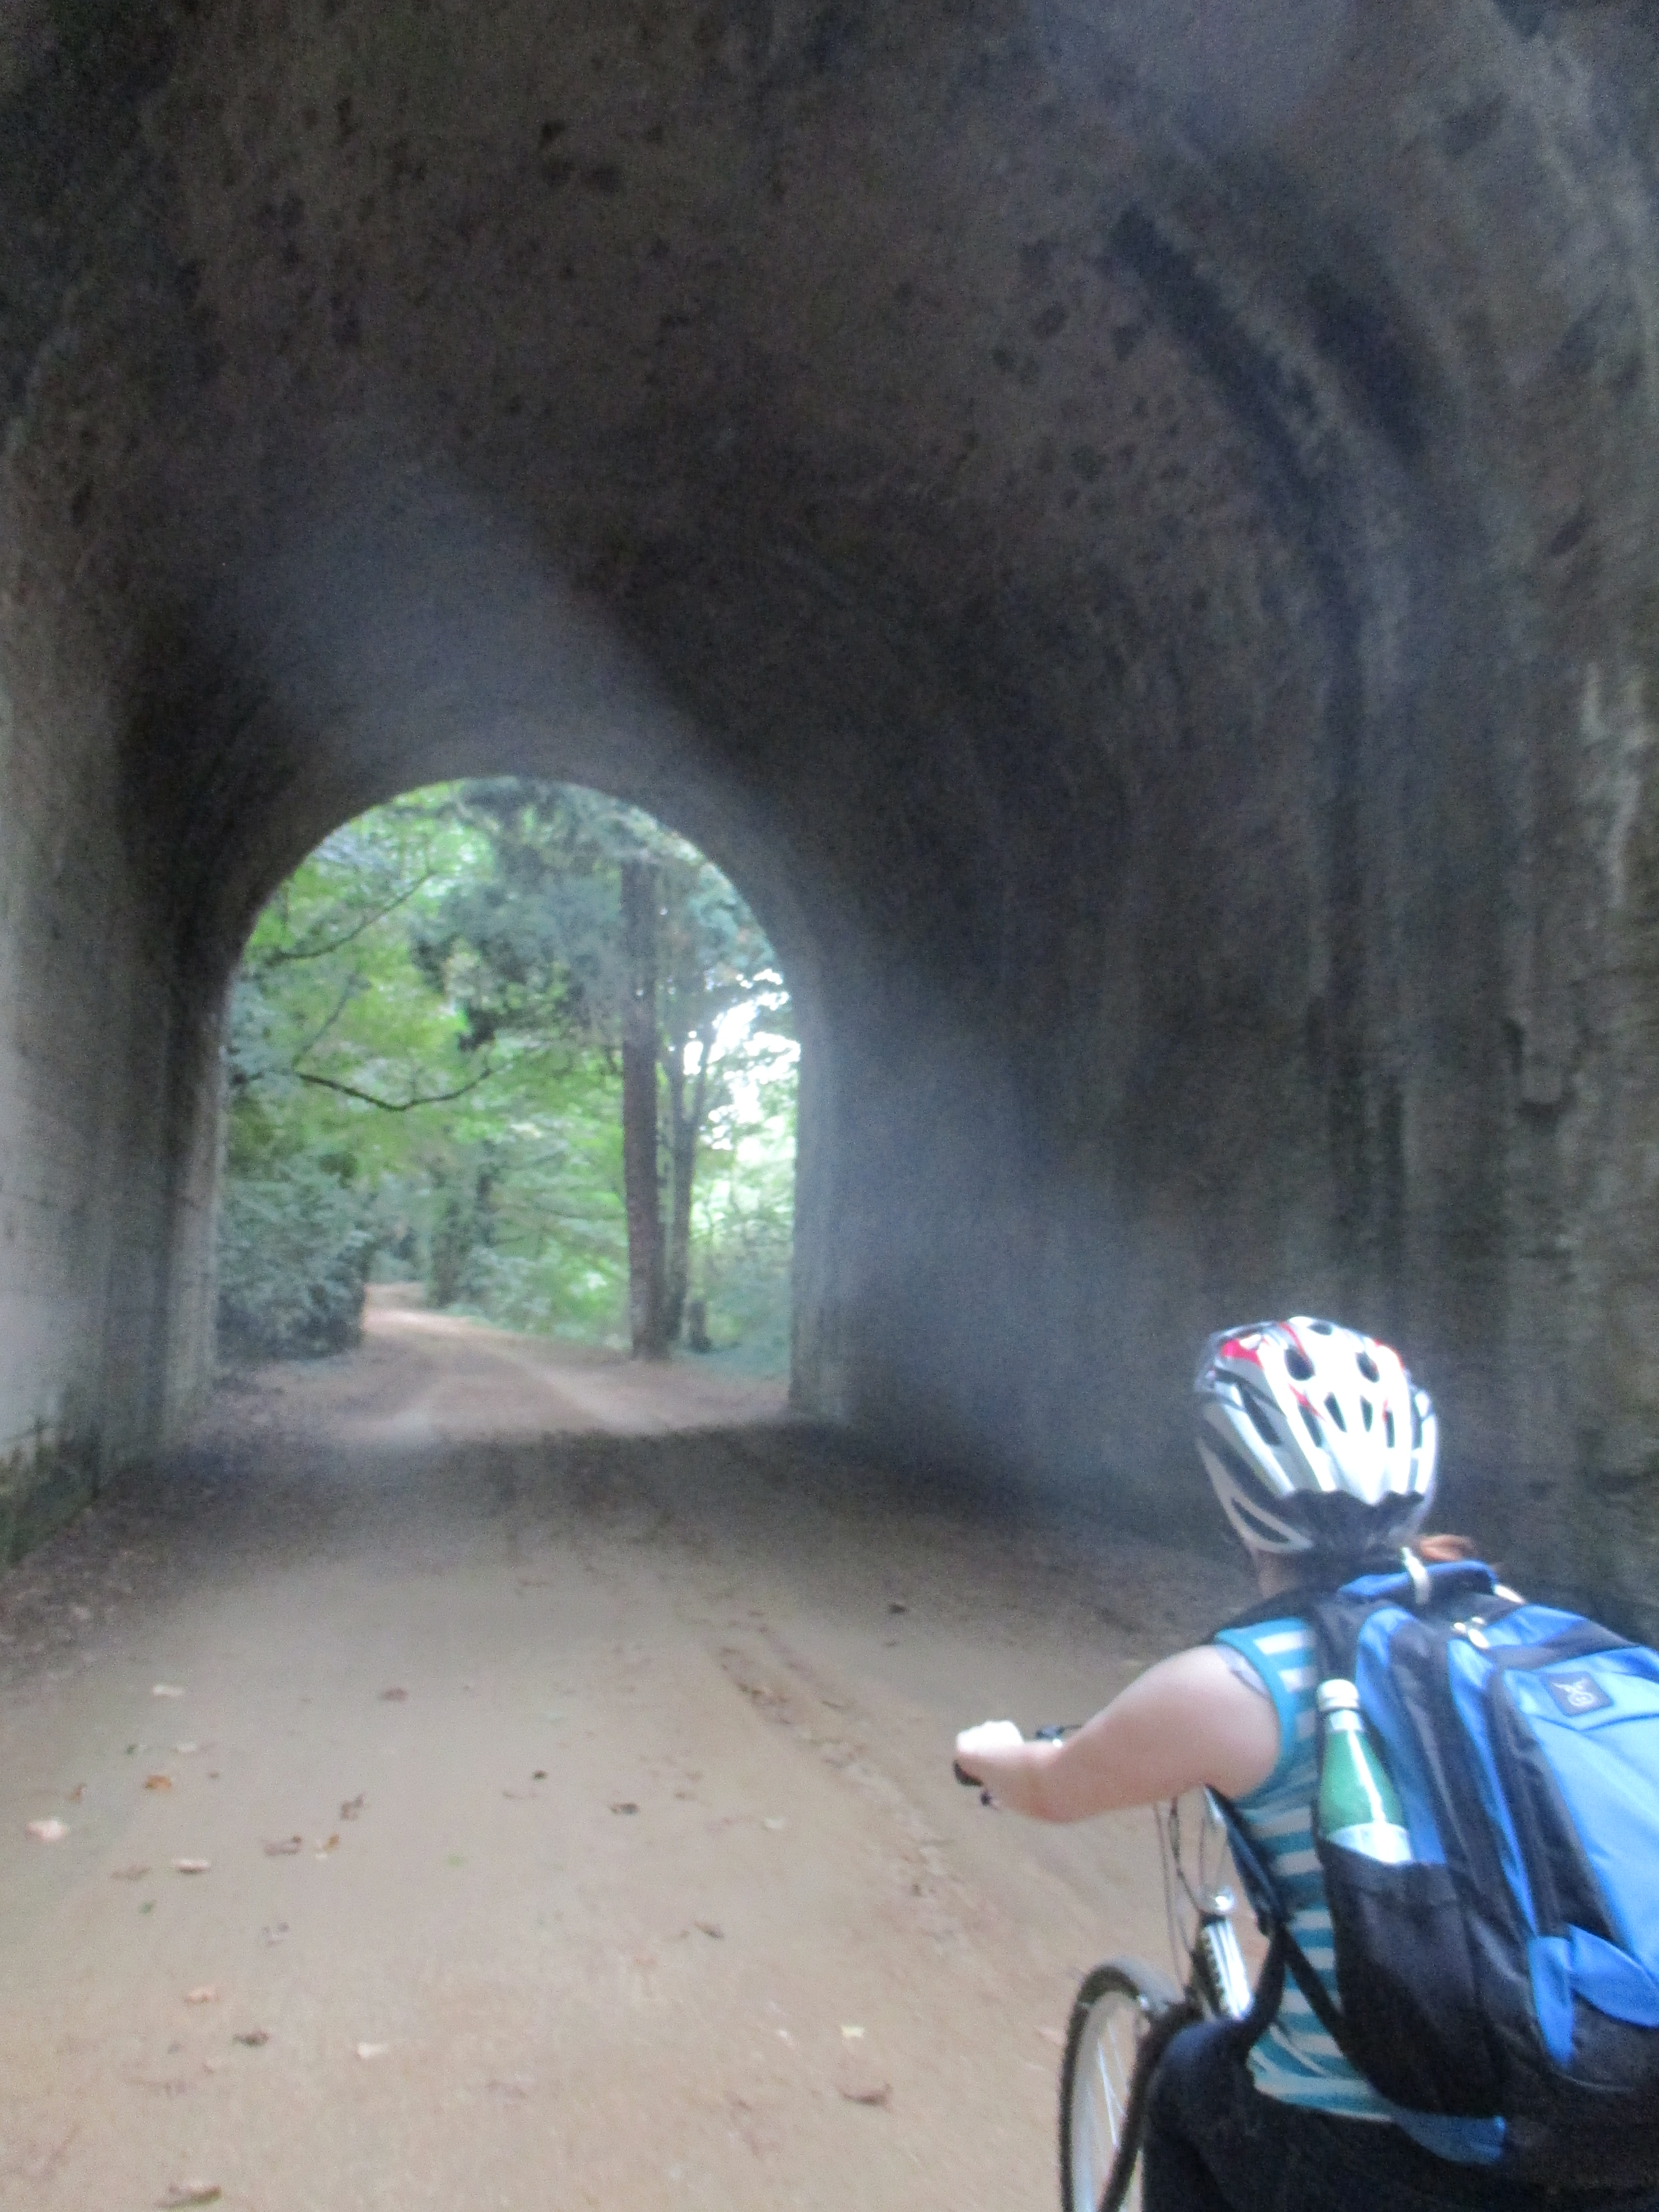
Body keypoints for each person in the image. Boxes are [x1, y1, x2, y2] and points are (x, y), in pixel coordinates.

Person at [954, 1317, 1659, 2212]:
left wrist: (986, 1754)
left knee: (1187, 2075)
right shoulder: (1519, 1629)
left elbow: (1051, 1787)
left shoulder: (1233, 1683)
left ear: (1235, 1494)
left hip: (1399, 2156)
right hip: (1619, 2120)